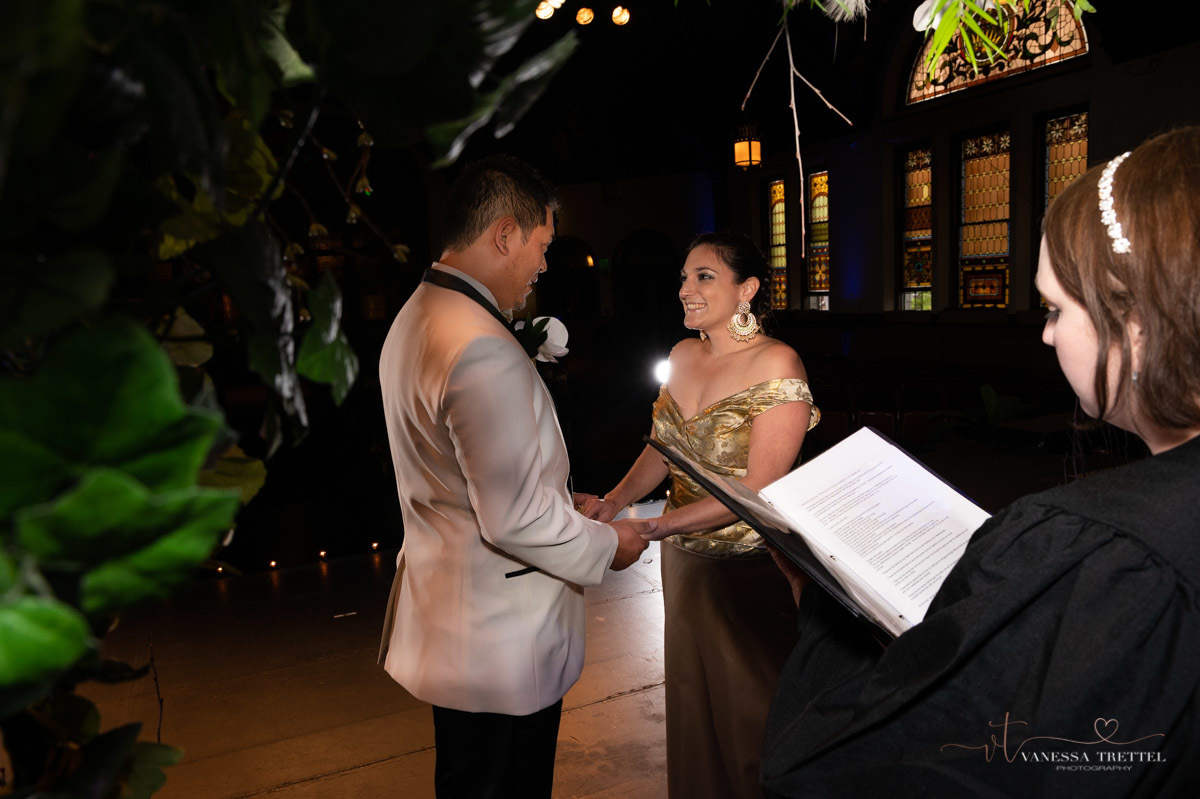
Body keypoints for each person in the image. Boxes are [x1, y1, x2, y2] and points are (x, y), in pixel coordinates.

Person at [761, 127, 1200, 798]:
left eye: (1055, 308)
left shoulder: (1102, 556)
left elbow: (841, 770)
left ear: (1135, 319)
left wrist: (823, 604)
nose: (1047, 333)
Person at [376, 154, 654, 799]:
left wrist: (559, 501)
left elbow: (466, 480)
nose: (543, 266)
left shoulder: (417, 314)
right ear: (504, 233)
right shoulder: (480, 346)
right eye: (542, 244)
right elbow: (516, 520)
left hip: (454, 615)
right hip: (500, 637)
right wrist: (612, 544)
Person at [578, 231, 820, 799]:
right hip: (684, 564)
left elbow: (759, 487)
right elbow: (662, 449)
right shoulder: (683, 356)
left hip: (751, 565)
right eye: (684, 277)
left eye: (704, 276)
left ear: (748, 289)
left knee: (753, 707)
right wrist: (613, 503)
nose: (685, 289)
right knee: (693, 699)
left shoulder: (777, 362)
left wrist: (654, 526)